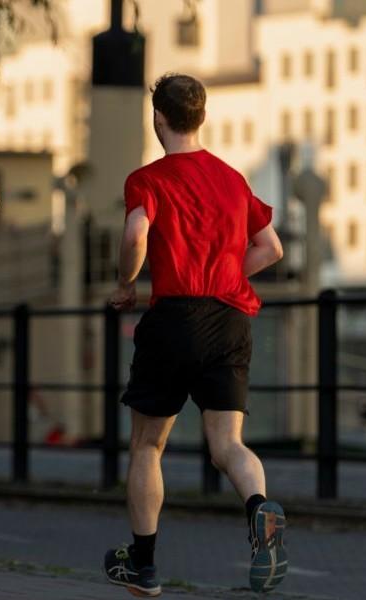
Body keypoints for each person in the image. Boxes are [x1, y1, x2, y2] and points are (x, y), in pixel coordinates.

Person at [103, 73, 287, 597]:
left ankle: (143, 566)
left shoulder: (148, 179)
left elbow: (137, 232)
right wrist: (228, 276)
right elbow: (271, 247)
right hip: (229, 319)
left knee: (147, 446)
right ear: (200, 117)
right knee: (228, 444)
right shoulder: (233, 179)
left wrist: (125, 285)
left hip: (174, 318)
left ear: (158, 118)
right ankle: (260, 509)